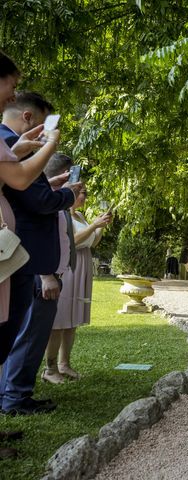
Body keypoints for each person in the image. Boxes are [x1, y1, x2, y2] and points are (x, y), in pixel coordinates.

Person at [0, 93, 80, 416]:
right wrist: (64, 195)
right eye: (10, 86)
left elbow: (35, 189)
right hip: (24, 256)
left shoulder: (12, 144)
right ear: (30, 118)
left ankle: (18, 395)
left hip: (25, 255)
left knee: (21, 332)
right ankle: (15, 397)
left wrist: (53, 186)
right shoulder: (7, 143)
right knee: (23, 334)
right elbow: (37, 200)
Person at [0, 49, 61, 461]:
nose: (12, 94)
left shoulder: (7, 139)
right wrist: (51, 142)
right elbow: (20, 181)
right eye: (11, 84)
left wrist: (21, 147)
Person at [43, 174, 112, 383]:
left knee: (72, 319)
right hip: (69, 265)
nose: (84, 196)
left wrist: (99, 227)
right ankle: (50, 368)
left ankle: (65, 363)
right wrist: (93, 226)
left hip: (83, 263)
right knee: (60, 318)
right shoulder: (61, 214)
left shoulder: (81, 216)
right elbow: (70, 241)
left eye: (85, 193)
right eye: (82, 192)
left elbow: (90, 243)